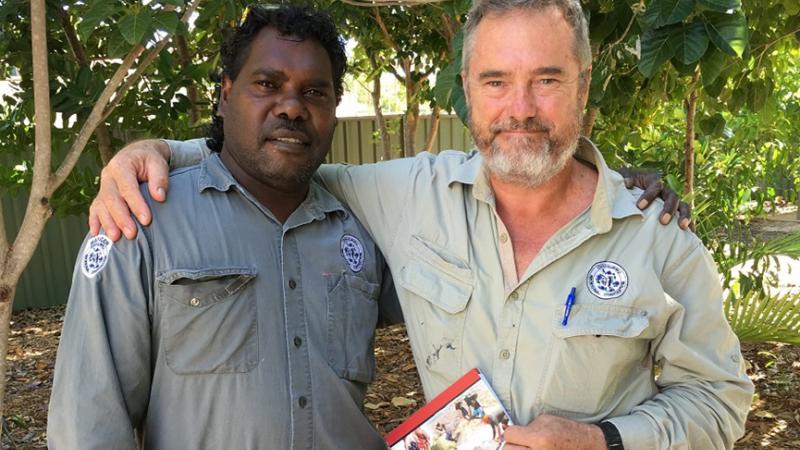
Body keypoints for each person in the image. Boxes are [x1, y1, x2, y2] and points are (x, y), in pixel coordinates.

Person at [89, 0, 754, 449]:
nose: (519, 109)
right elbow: (275, 154)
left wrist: (605, 440)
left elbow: (720, 402)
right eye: (496, 81)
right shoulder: (408, 193)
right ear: (466, 86)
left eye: (546, 79)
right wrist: (157, 153)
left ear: (584, 83)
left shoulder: (657, 235)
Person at [47, 6, 400, 449]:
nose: (292, 107)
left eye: (314, 92)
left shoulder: (363, 229)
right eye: (267, 84)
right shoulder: (141, 220)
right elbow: (87, 426)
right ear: (225, 94)